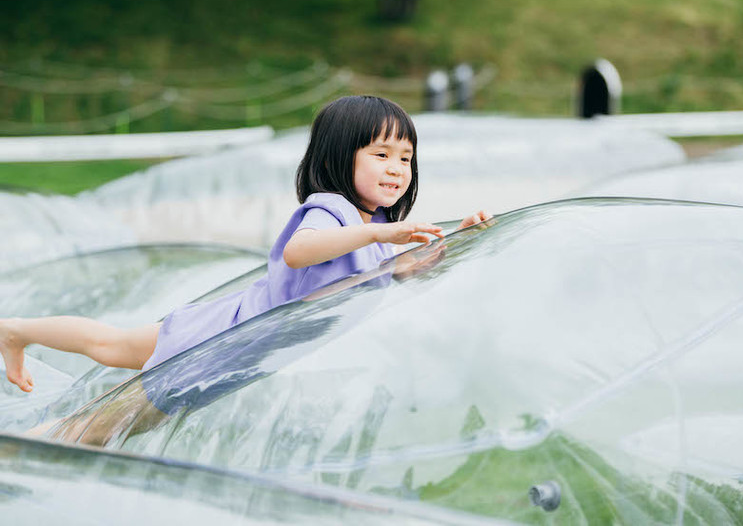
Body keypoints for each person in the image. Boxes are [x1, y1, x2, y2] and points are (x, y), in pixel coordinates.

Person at [1, 95, 491, 394]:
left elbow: (399, 269)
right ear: (342, 157)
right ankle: (17, 331)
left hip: (251, 348)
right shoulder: (332, 211)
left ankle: (20, 336)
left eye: (405, 158)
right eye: (381, 154)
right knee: (110, 345)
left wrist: (458, 236)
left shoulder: (374, 225)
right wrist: (380, 232)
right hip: (226, 333)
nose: (396, 168)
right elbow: (301, 251)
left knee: (115, 347)